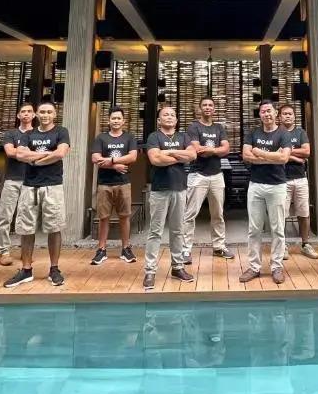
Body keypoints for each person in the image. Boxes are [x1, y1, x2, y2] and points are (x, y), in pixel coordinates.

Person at [4, 101, 70, 288]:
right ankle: (26, 269)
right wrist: (47, 155)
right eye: (42, 112)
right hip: (29, 186)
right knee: (26, 229)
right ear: (37, 115)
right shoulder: (28, 134)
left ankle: (54, 269)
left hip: (53, 186)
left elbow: (60, 153)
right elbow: (20, 155)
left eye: (49, 112)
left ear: (54, 115)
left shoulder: (61, 131)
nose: (45, 115)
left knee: (54, 228)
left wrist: (34, 159)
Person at [239, 100, 292, 285]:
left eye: (269, 111)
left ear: (275, 113)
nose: (266, 114)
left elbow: (284, 158)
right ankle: (254, 267)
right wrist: (272, 156)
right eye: (263, 111)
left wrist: (258, 152)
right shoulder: (253, 133)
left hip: (277, 186)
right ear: (260, 115)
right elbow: (246, 156)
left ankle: (277, 266)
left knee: (278, 229)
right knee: (254, 229)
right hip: (256, 185)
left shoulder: (283, 134)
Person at [144, 105, 197, 289]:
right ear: (159, 120)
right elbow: (155, 159)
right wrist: (180, 156)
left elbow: (192, 155)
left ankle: (178, 267)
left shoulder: (183, 137)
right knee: (155, 232)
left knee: (177, 231)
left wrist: (167, 152)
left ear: (176, 120)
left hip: (180, 189)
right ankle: (150, 271)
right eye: (165, 114)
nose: (169, 117)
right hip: (160, 190)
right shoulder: (154, 137)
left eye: (172, 115)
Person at [181, 96, 235, 262]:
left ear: (214, 108)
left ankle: (219, 247)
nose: (207, 107)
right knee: (190, 214)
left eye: (210, 105)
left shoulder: (219, 128)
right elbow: (197, 150)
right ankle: (185, 250)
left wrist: (211, 150)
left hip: (217, 175)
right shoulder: (194, 127)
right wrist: (217, 150)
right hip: (197, 175)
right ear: (200, 108)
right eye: (204, 105)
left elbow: (226, 149)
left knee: (218, 214)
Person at [90, 106, 138, 265]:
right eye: (113, 118)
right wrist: (115, 166)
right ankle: (101, 249)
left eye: (118, 118)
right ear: (109, 120)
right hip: (104, 184)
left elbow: (132, 157)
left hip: (124, 183)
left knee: (124, 216)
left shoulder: (129, 137)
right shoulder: (101, 138)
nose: (116, 121)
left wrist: (110, 160)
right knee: (104, 217)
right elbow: (95, 158)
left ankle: (126, 248)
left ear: (123, 121)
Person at [0, 102, 35, 266]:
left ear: (34, 115)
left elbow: (43, 154)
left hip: (31, 181)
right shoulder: (11, 133)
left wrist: (20, 151)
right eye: (23, 111)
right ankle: (4, 251)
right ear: (18, 115)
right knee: (6, 217)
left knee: (27, 218)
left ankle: (25, 252)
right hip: (12, 179)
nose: (26, 114)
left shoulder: (37, 134)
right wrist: (29, 153)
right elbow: (10, 152)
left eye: (29, 111)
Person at [279, 103, 318, 260]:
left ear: (294, 116)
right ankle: (282, 245)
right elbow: (276, 154)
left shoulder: (300, 132)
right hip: (281, 179)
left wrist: (287, 152)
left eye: (290, 113)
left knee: (304, 212)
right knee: (282, 214)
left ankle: (305, 244)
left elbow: (307, 152)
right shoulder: (276, 133)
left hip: (300, 178)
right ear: (279, 117)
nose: (288, 116)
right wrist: (295, 157)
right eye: (285, 114)